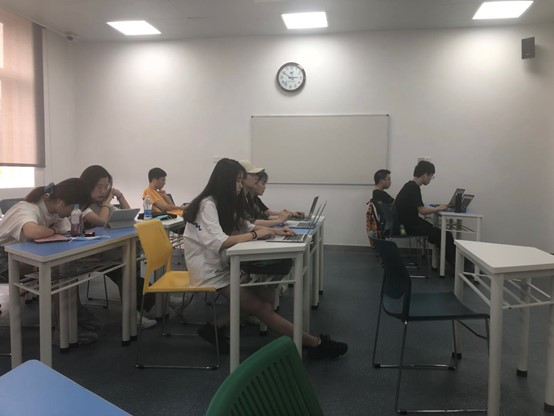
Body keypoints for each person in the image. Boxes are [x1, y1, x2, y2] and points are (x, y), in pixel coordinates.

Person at [183, 158, 348, 359]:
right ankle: (314, 344)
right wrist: (256, 235)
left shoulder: (224, 203)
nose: (240, 185)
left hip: (222, 265)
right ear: (225, 181)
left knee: (269, 297)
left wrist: (275, 230)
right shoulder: (207, 205)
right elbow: (220, 242)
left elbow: (245, 225)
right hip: (208, 271)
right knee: (262, 308)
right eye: (237, 181)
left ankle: (215, 327)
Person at [0, 179, 99, 344]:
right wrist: (53, 230)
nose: (72, 213)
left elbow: (66, 229)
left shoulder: (54, 210)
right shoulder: (27, 208)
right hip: (3, 258)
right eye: (73, 208)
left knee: (67, 263)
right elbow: (32, 232)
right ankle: (64, 331)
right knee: (57, 268)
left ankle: (76, 317)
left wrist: (55, 230)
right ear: (61, 202)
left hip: (21, 254)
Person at [80, 165, 156, 329]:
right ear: (88, 186)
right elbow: (102, 222)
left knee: (130, 269)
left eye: (106, 187)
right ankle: (134, 313)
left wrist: (120, 197)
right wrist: (107, 202)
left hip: (110, 252)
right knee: (126, 271)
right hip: (92, 256)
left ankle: (140, 309)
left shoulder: (101, 204)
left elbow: (128, 215)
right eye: (99, 187)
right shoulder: (83, 207)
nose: (103, 191)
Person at [394, 160, 455, 266]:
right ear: (425, 175)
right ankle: (457, 264)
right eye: (431, 176)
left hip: (405, 223)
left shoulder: (409, 185)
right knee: (445, 235)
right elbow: (423, 211)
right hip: (409, 226)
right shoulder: (414, 188)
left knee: (440, 234)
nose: (431, 179)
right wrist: (439, 208)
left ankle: (454, 262)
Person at [238, 160, 303, 225]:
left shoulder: (248, 198)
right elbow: (250, 224)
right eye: (253, 174)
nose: (257, 177)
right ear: (242, 177)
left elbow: (265, 216)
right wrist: (280, 220)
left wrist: (286, 215)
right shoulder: (239, 199)